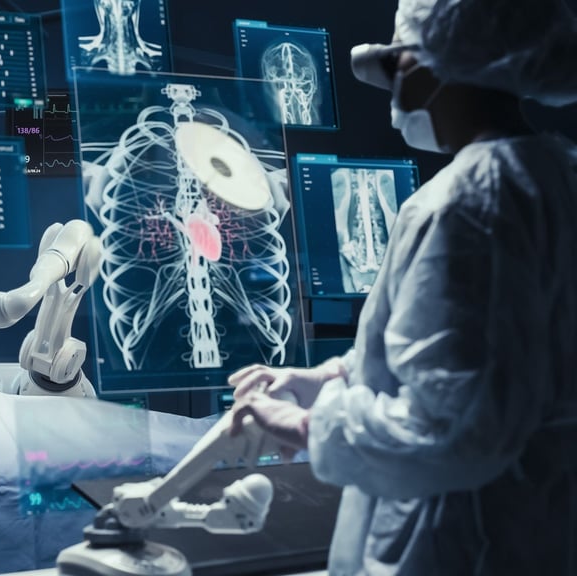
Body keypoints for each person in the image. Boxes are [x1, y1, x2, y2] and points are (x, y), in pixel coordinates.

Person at [227, 0, 577, 574]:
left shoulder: (468, 203)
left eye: (399, 65)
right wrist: (324, 379)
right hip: (536, 525)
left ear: (436, 63)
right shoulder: (552, 175)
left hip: (461, 544)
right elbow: (487, 355)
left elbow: (450, 429)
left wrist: (303, 423)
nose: (393, 89)